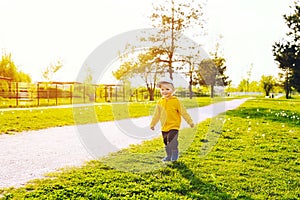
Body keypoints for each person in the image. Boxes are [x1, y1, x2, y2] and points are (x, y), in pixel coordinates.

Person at [150, 78, 194, 162]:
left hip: (174, 126)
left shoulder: (176, 101)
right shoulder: (160, 102)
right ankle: (168, 156)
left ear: (173, 90)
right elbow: (156, 114)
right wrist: (153, 124)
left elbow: (183, 112)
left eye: (167, 89)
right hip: (164, 127)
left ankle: (175, 154)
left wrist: (190, 122)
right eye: (162, 89)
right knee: (166, 142)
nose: (165, 91)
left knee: (172, 140)